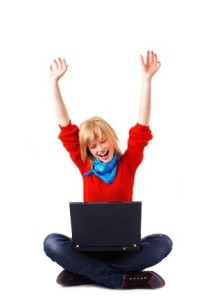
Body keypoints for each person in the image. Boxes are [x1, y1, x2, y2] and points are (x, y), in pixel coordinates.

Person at [43, 51, 173, 289]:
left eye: (103, 141)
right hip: (90, 250)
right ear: (87, 150)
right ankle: (119, 279)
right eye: (92, 146)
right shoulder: (85, 164)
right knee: (51, 242)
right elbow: (66, 126)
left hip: (124, 251)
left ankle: (85, 274)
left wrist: (147, 80)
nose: (100, 148)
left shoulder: (128, 162)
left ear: (112, 139)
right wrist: (53, 83)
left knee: (163, 242)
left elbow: (142, 126)